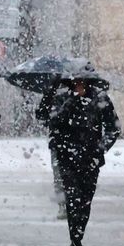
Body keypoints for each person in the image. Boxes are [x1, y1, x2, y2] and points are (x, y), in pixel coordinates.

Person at [46, 77, 120, 246]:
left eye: (82, 82)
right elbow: (54, 122)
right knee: (73, 199)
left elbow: (114, 127)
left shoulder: (99, 98)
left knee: (85, 202)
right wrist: (71, 102)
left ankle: (78, 235)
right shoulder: (63, 97)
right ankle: (76, 243)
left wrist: (100, 148)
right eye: (76, 82)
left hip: (90, 159)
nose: (79, 85)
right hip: (67, 158)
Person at [37, 79, 71, 219]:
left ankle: (71, 205)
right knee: (59, 177)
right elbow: (42, 116)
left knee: (69, 178)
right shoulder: (55, 99)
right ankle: (63, 205)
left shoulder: (77, 101)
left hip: (75, 145)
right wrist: (48, 95)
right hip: (58, 144)